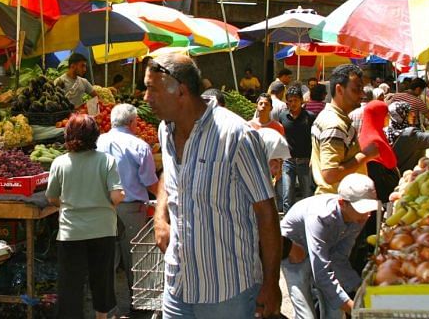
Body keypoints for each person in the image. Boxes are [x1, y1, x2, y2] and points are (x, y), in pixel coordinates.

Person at [144, 54, 281, 318]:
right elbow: (170, 177)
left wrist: (271, 283)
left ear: (181, 91)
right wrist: (160, 219)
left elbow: (266, 212)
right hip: (177, 283)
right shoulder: (165, 129)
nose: (146, 98)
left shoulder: (237, 136)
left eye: (153, 89)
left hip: (227, 291)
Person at [46, 114, 125, 319]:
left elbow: (51, 197)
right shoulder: (107, 160)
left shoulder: (59, 162)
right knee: (102, 281)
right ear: (95, 135)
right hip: (103, 230)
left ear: (68, 135)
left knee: (70, 286)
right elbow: (116, 196)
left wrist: (65, 203)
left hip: (71, 232)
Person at [281, 173, 380, 319]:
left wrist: (359, 288)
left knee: (335, 311)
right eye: (361, 209)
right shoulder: (320, 217)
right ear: (342, 203)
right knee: (306, 314)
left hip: (323, 251)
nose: (367, 215)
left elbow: (339, 258)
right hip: (295, 252)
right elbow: (322, 273)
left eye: (369, 209)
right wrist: (354, 310)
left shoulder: (359, 217)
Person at [96, 104, 159, 318]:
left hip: (102, 208)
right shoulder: (139, 145)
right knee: (135, 258)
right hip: (131, 208)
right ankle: (139, 306)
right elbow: (150, 182)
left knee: (107, 259)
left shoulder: (97, 142)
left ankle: (107, 309)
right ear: (132, 123)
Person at [311, 64, 379, 195]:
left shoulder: (332, 118)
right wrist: (366, 155)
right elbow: (330, 174)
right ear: (339, 89)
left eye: (362, 89)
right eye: (356, 89)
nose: (362, 94)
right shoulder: (334, 125)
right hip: (337, 203)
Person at [279, 85, 315, 213]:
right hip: (288, 161)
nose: (293, 103)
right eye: (290, 100)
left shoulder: (309, 117)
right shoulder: (282, 117)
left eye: (295, 100)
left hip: (305, 161)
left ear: (301, 101)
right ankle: (287, 225)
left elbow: (315, 139)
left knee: (307, 195)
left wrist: (313, 158)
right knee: (287, 195)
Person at [386, 101, 429, 175]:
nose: (413, 114)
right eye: (409, 113)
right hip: (407, 174)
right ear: (402, 116)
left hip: (394, 174)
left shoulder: (389, 131)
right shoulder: (409, 135)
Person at [359, 101, 399, 202]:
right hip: (380, 195)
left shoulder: (369, 134)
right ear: (379, 116)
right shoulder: (374, 140)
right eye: (386, 114)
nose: (388, 117)